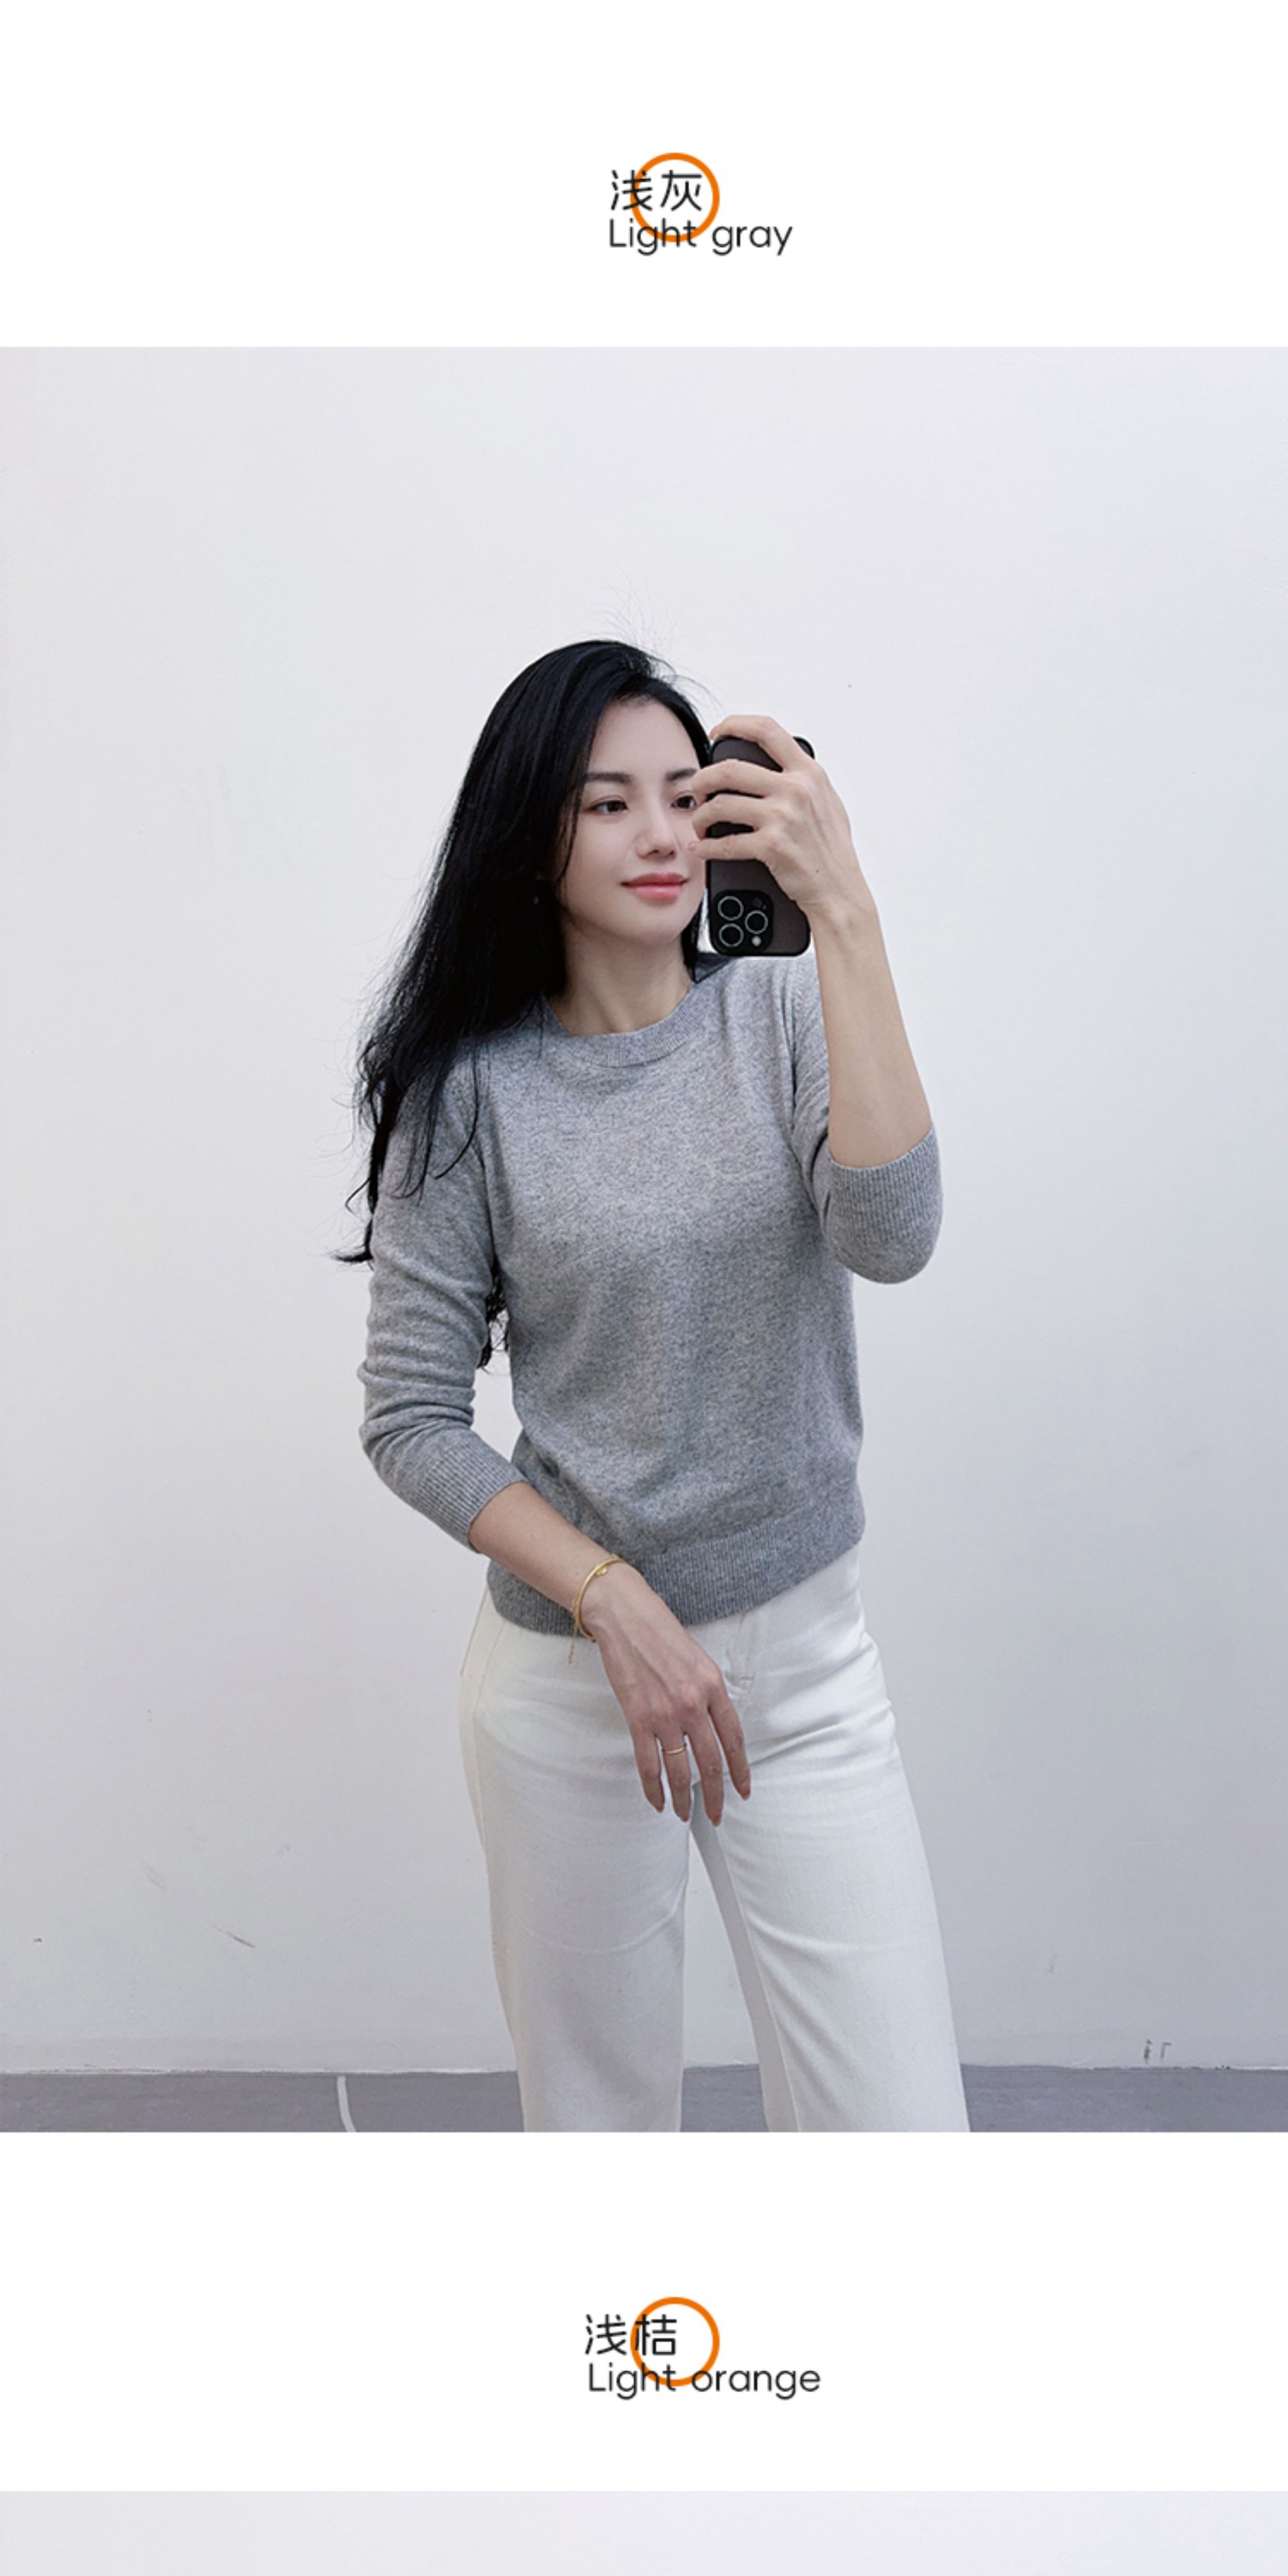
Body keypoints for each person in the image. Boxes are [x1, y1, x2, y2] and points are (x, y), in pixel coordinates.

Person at [346, 638, 968, 2134]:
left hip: (806, 1673)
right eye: (606, 802)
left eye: (686, 796)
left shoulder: (785, 1011)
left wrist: (847, 917)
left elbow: (892, 1238)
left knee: (901, 2138)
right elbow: (410, 1418)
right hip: (576, 1687)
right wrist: (613, 1597)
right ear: (531, 837)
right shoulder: (470, 1092)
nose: (661, 834)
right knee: (604, 2140)